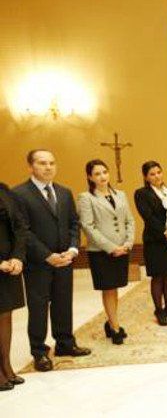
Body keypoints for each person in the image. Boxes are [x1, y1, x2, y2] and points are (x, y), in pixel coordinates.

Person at [13, 150, 91, 372]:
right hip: (38, 263)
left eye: (51, 163)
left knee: (63, 303)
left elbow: (74, 223)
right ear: (31, 167)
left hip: (65, 260)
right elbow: (23, 231)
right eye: (42, 163)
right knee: (39, 308)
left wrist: (73, 249)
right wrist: (47, 255)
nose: (48, 167)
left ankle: (65, 343)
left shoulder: (64, 192)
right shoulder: (19, 194)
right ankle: (39, 352)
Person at [77, 160, 135, 344]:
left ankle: (111, 321)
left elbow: (129, 220)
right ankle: (115, 327)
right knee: (108, 288)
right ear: (90, 177)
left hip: (122, 249)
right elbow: (88, 226)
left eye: (104, 172)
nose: (102, 176)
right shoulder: (86, 198)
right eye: (97, 174)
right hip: (102, 252)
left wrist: (128, 243)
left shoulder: (121, 194)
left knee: (115, 288)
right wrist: (111, 247)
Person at [134, 161, 167, 326]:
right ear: (146, 177)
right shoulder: (141, 194)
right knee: (157, 276)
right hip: (155, 240)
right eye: (152, 174)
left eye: (159, 172)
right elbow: (148, 217)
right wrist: (165, 232)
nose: (157, 176)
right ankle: (159, 310)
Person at [0, 183, 27, 390]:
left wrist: (17, 256)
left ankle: (6, 366)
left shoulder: (4, 190)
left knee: (5, 315)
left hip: (10, 264)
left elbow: (19, 225)